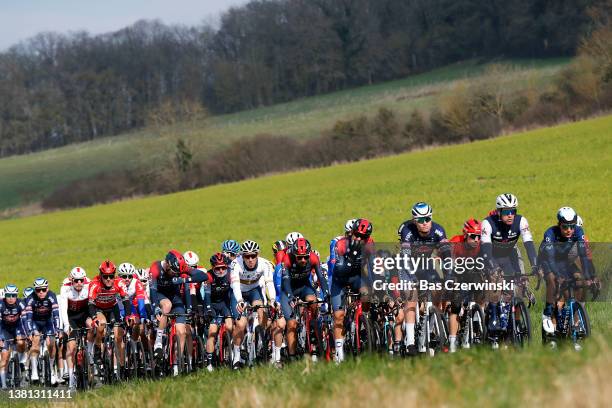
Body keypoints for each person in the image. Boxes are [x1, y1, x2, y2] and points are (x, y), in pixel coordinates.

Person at [539, 207, 598, 350]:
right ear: (559, 224)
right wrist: (558, 276)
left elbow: (584, 256)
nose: (569, 230)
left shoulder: (578, 232)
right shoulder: (550, 233)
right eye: (565, 227)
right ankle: (549, 318)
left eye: (572, 226)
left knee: (579, 280)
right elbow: (550, 259)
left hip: (565, 262)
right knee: (553, 281)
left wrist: (590, 276)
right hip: (547, 260)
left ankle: (575, 320)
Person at [397, 202, 451, 355]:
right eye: (420, 220)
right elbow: (406, 260)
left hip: (426, 264)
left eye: (427, 218)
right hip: (408, 266)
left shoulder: (439, 231)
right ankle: (410, 342)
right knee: (412, 298)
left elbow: (447, 255)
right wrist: (413, 278)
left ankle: (432, 328)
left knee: (437, 291)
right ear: (415, 221)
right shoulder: (407, 231)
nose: (425, 223)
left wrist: (449, 275)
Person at [481, 193, 537, 335]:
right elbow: (485, 250)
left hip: (509, 256)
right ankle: (493, 315)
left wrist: (535, 264)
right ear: (499, 212)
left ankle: (515, 322)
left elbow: (529, 244)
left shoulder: (521, 221)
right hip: (491, 256)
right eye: (506, 212)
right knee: (495, 285)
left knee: (518, 287)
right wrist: (492, 267)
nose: (510, 215)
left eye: (513, 211)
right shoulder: (488, 223)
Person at [149, 250, 208, 375]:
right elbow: (152, 290)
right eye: (174, 272)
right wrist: (155, 307)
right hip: (160, 296)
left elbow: (203, 276)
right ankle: (159, 342)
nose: (176, 274)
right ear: (168, 265)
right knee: (166, 305)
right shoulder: (155, 267)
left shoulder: (181, 267)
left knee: (182, 331)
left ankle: (176, 363)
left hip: (176, 298)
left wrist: (184, 280)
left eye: (178, 272)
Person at [328, 219, 374, 363]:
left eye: (363, 237)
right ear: (351, 233)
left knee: (368, 293)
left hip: (356, 277)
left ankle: (364, 317)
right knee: (339, 316)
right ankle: (339, 355)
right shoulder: (341, 244)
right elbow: (339, 270)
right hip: (339, 281)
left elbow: (374, 268)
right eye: (356, 235)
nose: (359, 238)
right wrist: (352, 255)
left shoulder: (370, 244)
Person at [279, 238, 329, 363]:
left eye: (305, 257)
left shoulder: (313, 258)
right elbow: (285, 281)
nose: (303, 260)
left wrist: (326, 292)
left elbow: (321, 277)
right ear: (294, 255)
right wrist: (291, 297)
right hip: (289, 289)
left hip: (305, 287)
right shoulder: (287, 259)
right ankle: (291, 356)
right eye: (299, 257)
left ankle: (313, 326)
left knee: (313, 301)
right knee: (291, 324)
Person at [229, 240, 276, 369]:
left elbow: (269, 283)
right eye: (247, 256)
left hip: (254, 291)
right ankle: (237, 357)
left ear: (258, 255)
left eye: (253, 256)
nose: (250, 259)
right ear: (242, 256)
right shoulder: (235, 264)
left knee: (262, 312)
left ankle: (260, 343)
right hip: (238, 293)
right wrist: (239, 301)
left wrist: (272, 300)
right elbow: (235, 285)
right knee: (241, 323)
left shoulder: (264, 264)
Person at [88, 261, 132, 379]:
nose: (108, 279)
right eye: (105, 277)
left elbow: (126, 301)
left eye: (111, 276)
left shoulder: (120, 282)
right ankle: (98, 348)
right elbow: (91, 304)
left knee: (119, 336)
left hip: (113, 308)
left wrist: (128, 316)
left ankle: (121, 368)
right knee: (101, 324)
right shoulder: (94, 284)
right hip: (99, 308)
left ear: (115, 276)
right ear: (100, 276)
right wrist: (93, 318)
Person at [447, 218, 484, 352]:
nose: (476, 240)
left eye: (479, 237)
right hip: (456, 274)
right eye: (473, 236)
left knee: (481, 290)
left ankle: (477, 320)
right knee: (456, 306)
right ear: (465, 234)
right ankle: (452, 342)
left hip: (472, 274)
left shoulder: (481, 245)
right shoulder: (455, 242)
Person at [58, 267, 92, 389]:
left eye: (81, 280)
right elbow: (63, 309)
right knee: (71, 347)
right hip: (71, 316)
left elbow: (92, 304)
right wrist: (66, 325)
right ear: (71, 280)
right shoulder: (65, 287)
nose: (79, 283)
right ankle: (72, 380)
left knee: (92, 326)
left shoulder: (89, 284)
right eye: (76, 280)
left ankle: (91, 356)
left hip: (84, 314)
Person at [23, 277, 61, 384]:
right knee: (36, 340)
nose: (41, 292)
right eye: (38, 290)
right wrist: (31, 331)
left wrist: (57, 329)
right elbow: (28, 318)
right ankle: (34, 371)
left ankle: (51, 370)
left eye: (43, 289)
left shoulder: (52, 296)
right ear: (35, 290)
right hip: (35, 322)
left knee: (52, 344)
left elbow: (56, 315)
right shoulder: (30, 299)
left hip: (47, 322)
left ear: (47, 289)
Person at [201, 253, 233, 372]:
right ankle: (209, 363)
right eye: (217, 268)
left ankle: (226, 348)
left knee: (230, 325)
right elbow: (207, 296)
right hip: (212, 305)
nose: (220, 271)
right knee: (212, 331)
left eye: (223, 268)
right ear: (213, 268)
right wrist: (208, 309)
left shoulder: (230, 274)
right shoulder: (208, 276)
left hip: (224, 304)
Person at [0, 284, 28, 389]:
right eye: (8, 295)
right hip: (4, 329)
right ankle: (3, 385)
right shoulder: (1, 304)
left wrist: (27, 334)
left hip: (17, 327)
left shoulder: (20, 303)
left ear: (16, 295)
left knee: (21, 342)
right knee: (5, 356)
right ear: (4, 295)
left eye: (13, 295)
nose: (11, 298)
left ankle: (21, 363)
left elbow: (25, 321)